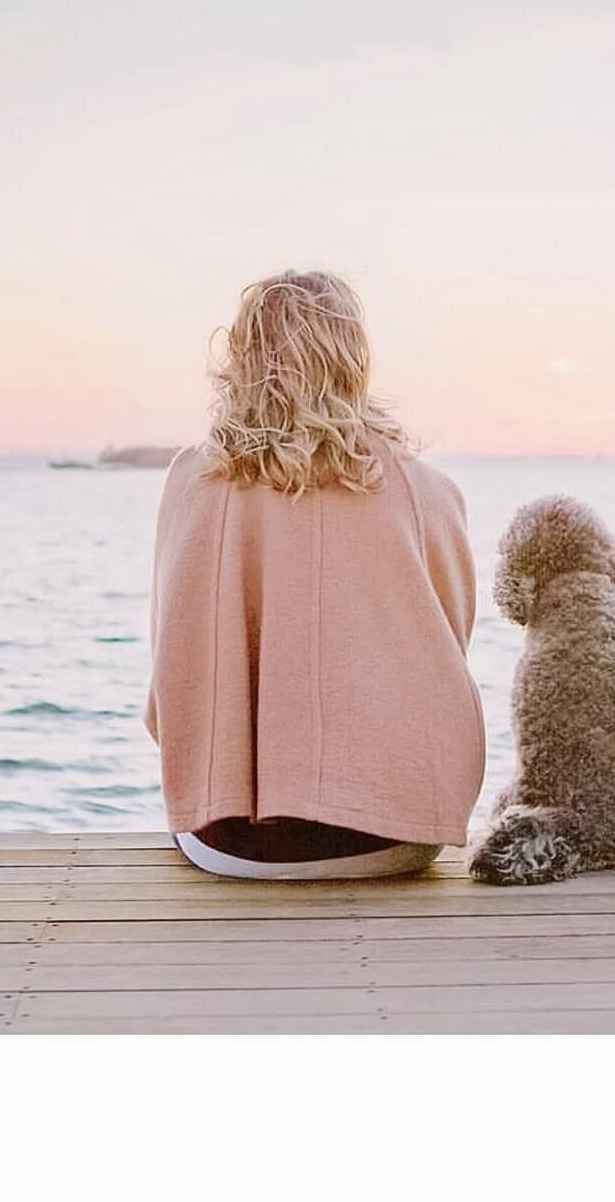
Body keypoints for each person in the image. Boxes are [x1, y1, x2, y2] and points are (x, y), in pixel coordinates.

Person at [144, 270, 485, 879]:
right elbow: (450, 645)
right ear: (353, 358)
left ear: (243, 360)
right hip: (392, 837)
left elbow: (171, 664)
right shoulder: (426, 490)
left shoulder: (192, 482)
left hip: (230, 841)